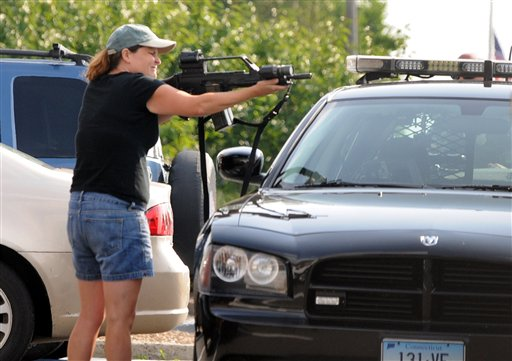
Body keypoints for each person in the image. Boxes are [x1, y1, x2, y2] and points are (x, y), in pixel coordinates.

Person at [66, 23, 288, 361]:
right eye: (150, 52)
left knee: (90, 317)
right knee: (121, 321)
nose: (157, 60)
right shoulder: (138, 87)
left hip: (81, 210)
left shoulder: (100, 88)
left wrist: (198, 92)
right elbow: (199, 107)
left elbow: (168, 110)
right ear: (126, 55)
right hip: (116, 213)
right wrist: (254, 91)